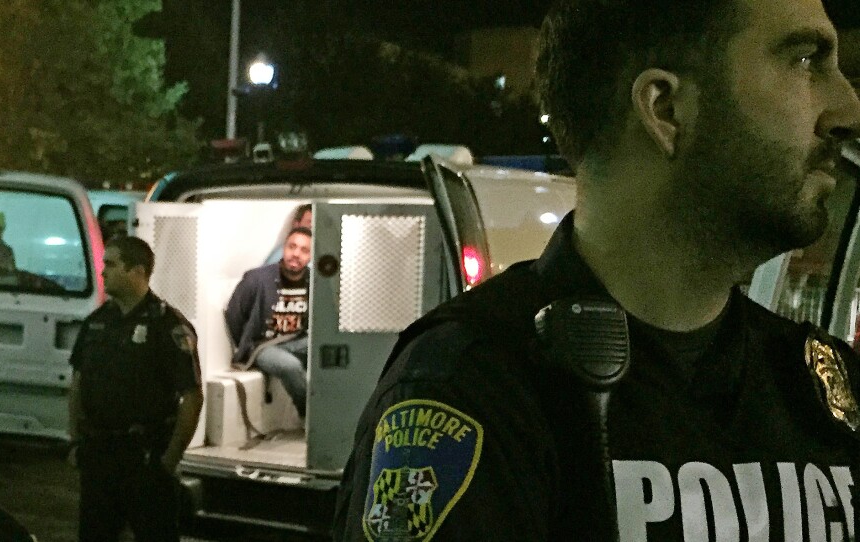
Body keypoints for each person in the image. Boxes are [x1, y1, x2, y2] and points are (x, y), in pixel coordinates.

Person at [333, 0, 860, 539]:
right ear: (666, 110)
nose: (848, 109)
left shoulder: (816, 388)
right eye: (803, 61)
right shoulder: (474, 391)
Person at [68, 236, 203, 542]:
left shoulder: (167, 325)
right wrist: (76, 442)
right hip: (100, 456)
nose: (103, 272)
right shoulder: (96, 323)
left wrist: (168, 461)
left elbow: (192, 396)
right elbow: (77, 386)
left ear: (137, 271)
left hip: (145, 458)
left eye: (111, 264)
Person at [225, 226, 312, 419]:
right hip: (263, 346)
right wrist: (247, 344)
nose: (296, 254)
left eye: (304, 250)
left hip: (297, 340)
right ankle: (310, 417)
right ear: (284, 248)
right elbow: (234, 315)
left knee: (329, 352)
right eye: (292, 247)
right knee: (290, 366)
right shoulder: (256, 278)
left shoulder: (313, 282)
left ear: (311, 256)